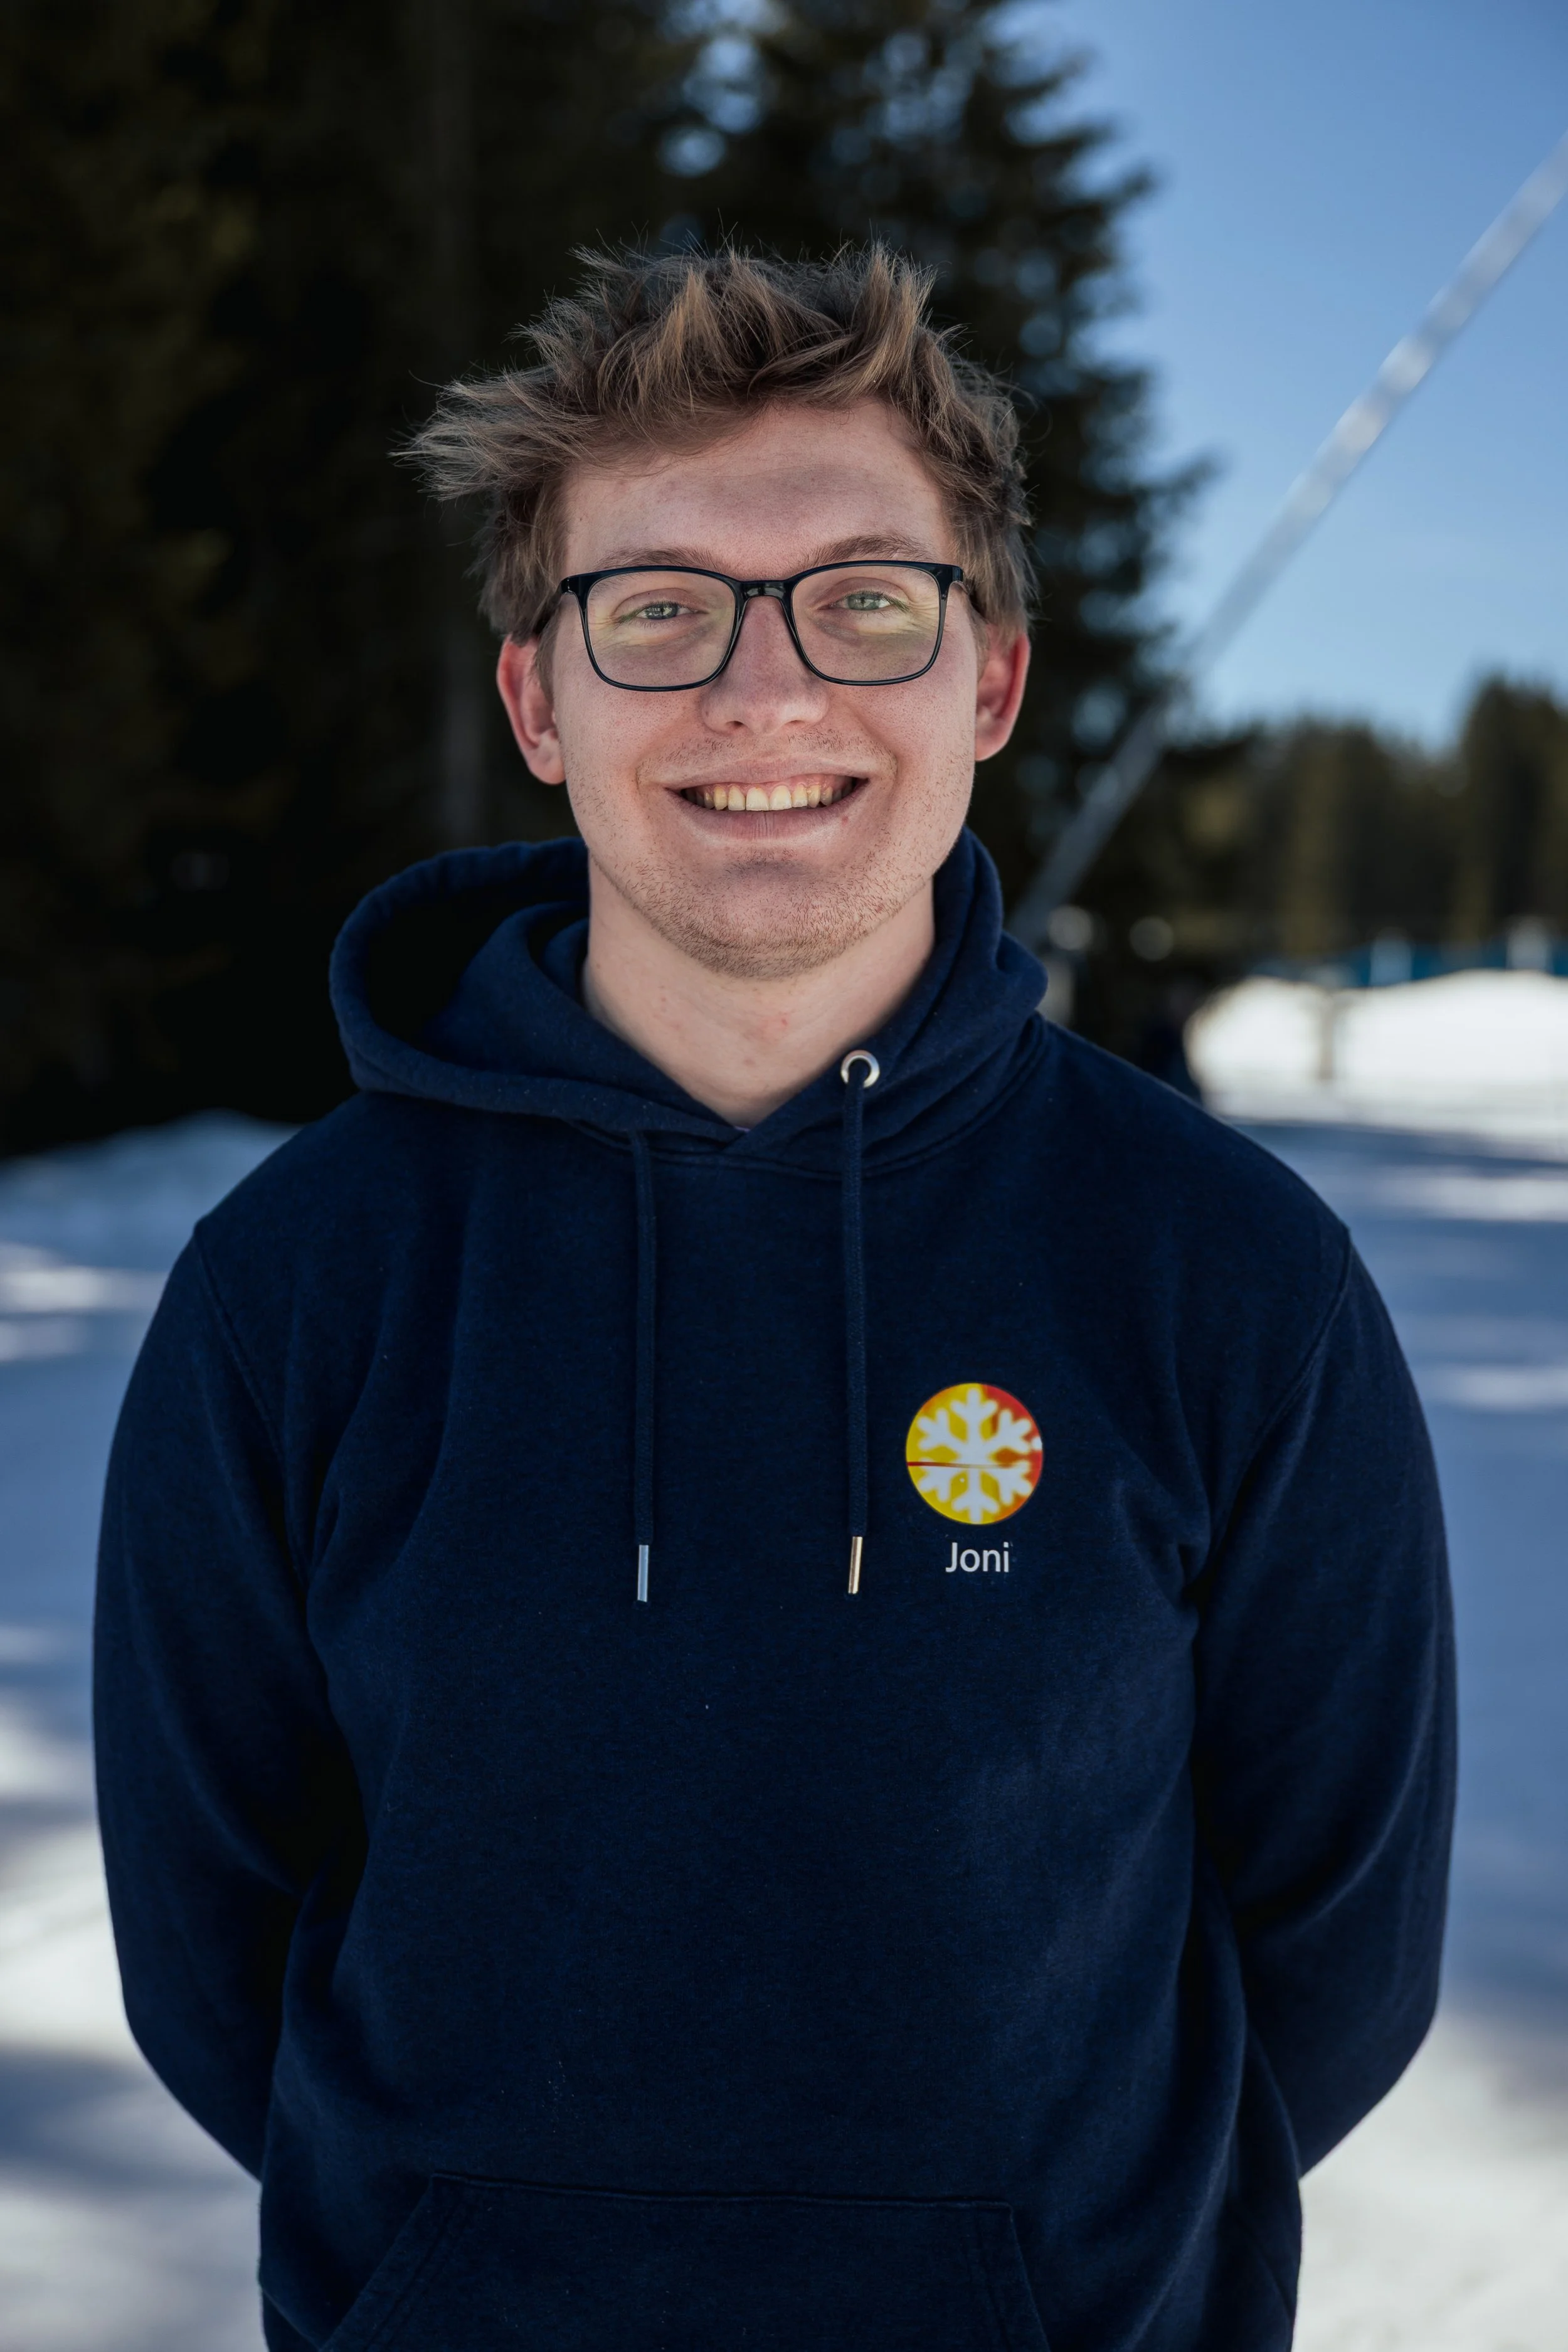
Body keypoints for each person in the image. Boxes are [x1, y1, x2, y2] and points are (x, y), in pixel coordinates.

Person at [94, 247, 1454, 2352]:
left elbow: (1332, 1960)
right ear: (540, 704)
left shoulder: (1222, 1271)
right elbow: (211, 1940)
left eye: (863, 597)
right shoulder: (300, 1283)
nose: (765, 692)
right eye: (655, 609)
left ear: (983, 681)